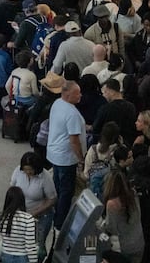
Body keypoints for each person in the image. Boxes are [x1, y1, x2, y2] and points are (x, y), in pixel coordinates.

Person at [47, 79, 85, 230]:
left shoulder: (58, 104)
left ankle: (55, 213)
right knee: (66, 192)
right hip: (66, 158)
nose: (80, 96)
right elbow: (74, 140)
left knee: (57, 186)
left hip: (54, 153)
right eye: (77, 93)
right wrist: (81, 158)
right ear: (67, 94)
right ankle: (60, 223)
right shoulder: (72, 113)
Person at [101, 171, 144, 263]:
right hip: (138, 242)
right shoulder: (133, 194)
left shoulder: (112, 203)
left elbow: (111, 228)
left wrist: (100, 225)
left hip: (124, 247)